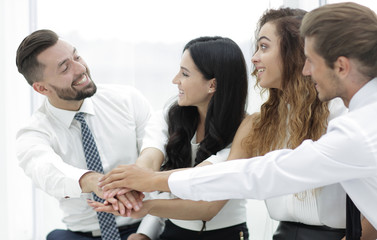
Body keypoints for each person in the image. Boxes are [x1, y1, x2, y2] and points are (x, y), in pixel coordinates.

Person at [97, 2, 377, 238]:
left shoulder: (350, 122)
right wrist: (148, 183)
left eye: (264, 47)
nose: (254, 58)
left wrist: (152, 182)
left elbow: (258, 175)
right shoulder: (262, 121)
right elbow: (223, 172)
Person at [90, 36, 249, 240]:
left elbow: (207, 204)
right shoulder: (167, 117)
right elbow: (149, 160)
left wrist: (146, 204)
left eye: (185, 74)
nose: (175, 80)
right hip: (172, 232)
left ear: (212, 85)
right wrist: (142, 228)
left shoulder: (245, 130)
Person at [15, 29, 157, 240]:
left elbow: (161, 163)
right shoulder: (34, 132)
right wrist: (93, 182)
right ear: (41, 89)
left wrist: (145, 234)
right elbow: (46, 171)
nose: (81, 69)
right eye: (65, 68)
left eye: (77, 56)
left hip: (147, 222)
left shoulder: (127, 100)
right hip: (85, 235)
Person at [246, 8, 347, 239]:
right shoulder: (267, 119)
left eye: (263, 46)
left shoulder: (340, 113)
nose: (254, 58)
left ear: (294, 54)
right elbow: (233, 171)